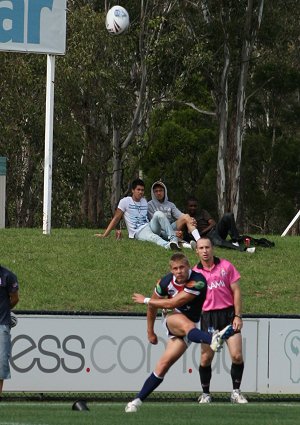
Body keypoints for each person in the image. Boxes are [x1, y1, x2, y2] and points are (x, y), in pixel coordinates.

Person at [125, 253, 234, 413]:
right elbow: (153, 307)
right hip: (173, 319)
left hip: (192, 325)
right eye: (175, 268)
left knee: (163, 365)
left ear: (188, 266)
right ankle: (212, 338)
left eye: (182, 267)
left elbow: (174, 302)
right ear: (171, 270)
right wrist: (150, 331)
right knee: (184, 324)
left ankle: (136, 401)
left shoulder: (198, 281)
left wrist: (146, 299)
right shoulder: (165, 282)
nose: (179, 271)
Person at [193, 237, 248, 404]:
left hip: (228, 316)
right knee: (205, 358)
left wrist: (238, 315)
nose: (204, 251)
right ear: (197, 251)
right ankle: (206, 394)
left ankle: (236, 392)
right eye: (201, 248)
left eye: (207, 247)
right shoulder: (194, 273)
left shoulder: (226, 266)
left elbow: (236, 291)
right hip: (208, 317)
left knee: (237, 356)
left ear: (213, 248)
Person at [95, 178, 181, 250]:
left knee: (159, 214)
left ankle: (174, 240)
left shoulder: (144, 201)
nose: (140, 192)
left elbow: (151, 219)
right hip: (137, 231)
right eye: (138, 190)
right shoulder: (125, 201)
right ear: (133, 190)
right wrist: (105, 235)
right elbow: (116, 218)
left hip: (149, 226)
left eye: (142, 190)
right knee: (154, 237)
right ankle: (168, 246)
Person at [183, 196, 254, 252]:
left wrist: (202, 232)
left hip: (214, 231)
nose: (193, 208)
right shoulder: (184, 217)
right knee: (218, 242)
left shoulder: (202, 212)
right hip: (206, 238)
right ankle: (243, 249)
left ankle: (235, 240)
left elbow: (213, 223)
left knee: (228, 215)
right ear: (187, 206)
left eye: (195, 206)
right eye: (191, 206)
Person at [147, 181, 200, 248]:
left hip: (171, 227)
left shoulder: (170, 205)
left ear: (164, 191)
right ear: (153, 193)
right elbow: (154, 225)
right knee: (175, 232)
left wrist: (190, 220)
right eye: (156, 191)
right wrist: (173, 233)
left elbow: (181, 216)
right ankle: (188, 245)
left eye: (160, 190)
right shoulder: (149, 205)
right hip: (159, 231)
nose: (158, 193)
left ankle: (199, 241)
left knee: (187, 217)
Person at [0, 265, 19, 398]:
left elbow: (15, 298)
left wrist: (5, 311)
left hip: (2, 325)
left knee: (1, 364)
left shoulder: (7, 275)